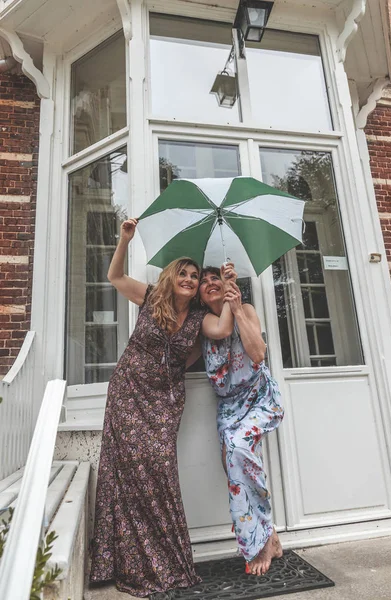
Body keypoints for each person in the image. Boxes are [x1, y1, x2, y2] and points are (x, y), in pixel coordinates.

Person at [90, 219, 235, 597]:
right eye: (183, 273)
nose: (188, 278)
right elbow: (115, 276)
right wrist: (124, 239)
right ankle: (128, 562)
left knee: (159, 473)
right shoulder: (151, 296)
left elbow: (221, 331)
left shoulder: (202, 318)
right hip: (127, 394)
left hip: (164, 401)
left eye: (193, 275)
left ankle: (167, 560)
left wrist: (231, 293)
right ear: (172, 277)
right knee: (128, 476)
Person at [198, 266, 284, 576]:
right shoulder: (205, 323)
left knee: (237, 449)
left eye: (214, 278)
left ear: (225, 283)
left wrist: (236, 307)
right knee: (235, 469)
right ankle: (269, 536)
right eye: (203, 281)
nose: (209, 283)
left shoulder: (245, 308)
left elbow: (258, 354)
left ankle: (258, 544)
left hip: (259, 397)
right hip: (228, 407)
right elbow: (216, 335)